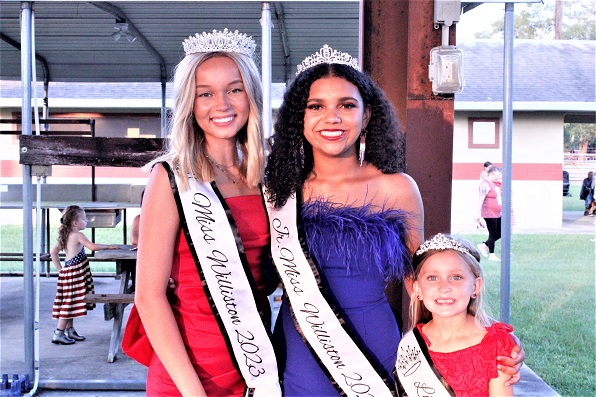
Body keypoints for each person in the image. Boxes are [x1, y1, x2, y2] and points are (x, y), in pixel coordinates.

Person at [133, 29, 281, 396]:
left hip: (255, 364)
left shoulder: (267, 180)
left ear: (252, 95)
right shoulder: (171, 178)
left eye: (234, 89)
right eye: (205, 93)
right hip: (187, 373)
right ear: (190, 103)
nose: (223, 104)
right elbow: (148, 298)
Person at [397, 233, 517, 397]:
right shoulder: (411, 345)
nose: (444, 287)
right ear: (417, 289)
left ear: (475, 287)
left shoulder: (495, 345)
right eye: (432, 278)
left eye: (456, 277)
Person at [49, 205, 118, 345]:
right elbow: (92, 247)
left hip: (68, 272)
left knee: (70, 301)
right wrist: (108, 246)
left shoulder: (65, 234)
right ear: (75, 223)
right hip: (75, 274)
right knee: (68, 304)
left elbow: (53, 252)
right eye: (84, 219)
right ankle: (58, 333)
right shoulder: (78, 235)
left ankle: (70, 330)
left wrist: (60, 269)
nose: (86, 221)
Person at [476, 166, 502, 261]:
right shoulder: (485, 184)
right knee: (492, 233)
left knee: (500, 232)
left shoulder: (494, 184)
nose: (498, 177)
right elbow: (481, 199)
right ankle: (492, 255)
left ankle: (484, 245)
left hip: (497, 212)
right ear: (492, 174)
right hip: (489, 213)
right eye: (497, 175)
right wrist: (477, 214)